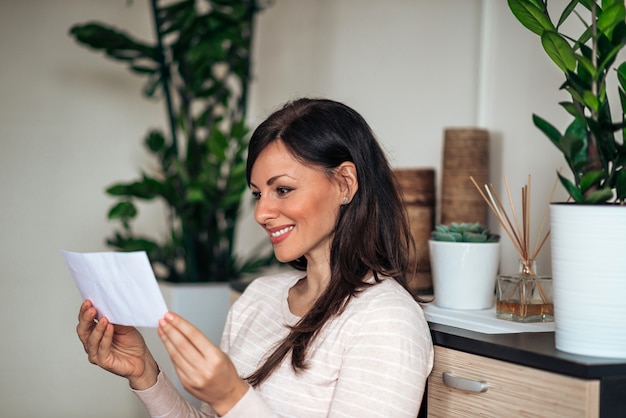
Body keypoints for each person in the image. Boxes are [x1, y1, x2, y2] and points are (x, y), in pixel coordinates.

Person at [77, 98, 434, 417]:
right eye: (257, 194)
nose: (262, 212)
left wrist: (232, 397)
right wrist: (145, 373)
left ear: (344, 183)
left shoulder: (387, 321)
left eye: (282, 189)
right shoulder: (258, 298)